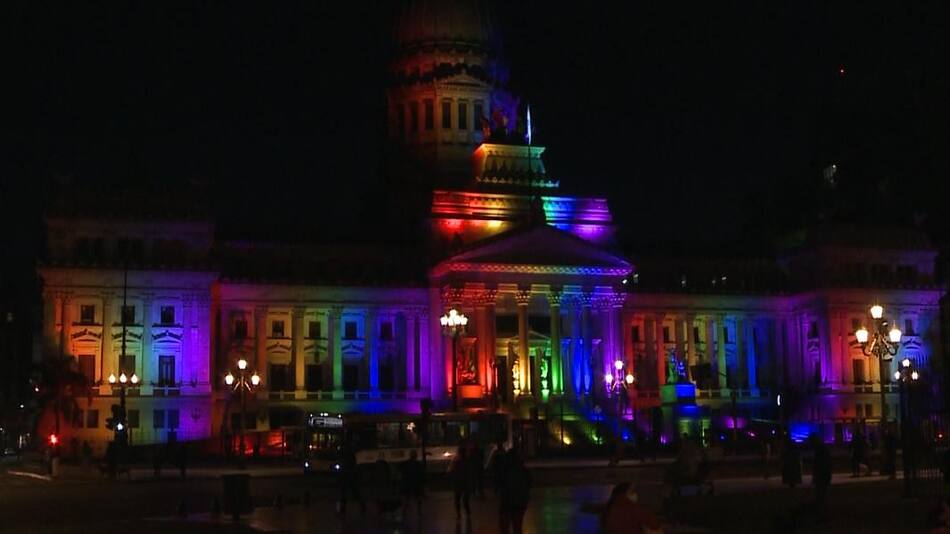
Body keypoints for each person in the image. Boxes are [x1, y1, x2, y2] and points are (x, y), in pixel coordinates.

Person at [502, 450, 532, 534]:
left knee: (510, 525)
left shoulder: (508, 472)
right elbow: (529, 484)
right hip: (520, 501)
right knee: (517, 525)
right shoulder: (524, 471)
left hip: (511, 501)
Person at [338, 442, 365, 515]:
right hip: (349, 475)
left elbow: (349, 465)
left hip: (348, 475)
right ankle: (362, 506)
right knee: (350, 492)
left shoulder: (348, 456)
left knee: (349, 492)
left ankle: (343, 509)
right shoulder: (350, 455)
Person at [811, 435, 832, 521]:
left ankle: (822, 515)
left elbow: (820, 465)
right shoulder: (822, 449)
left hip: (822, 476)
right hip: (824, 476)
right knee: (822, 496)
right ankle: (822, 514)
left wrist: (816, 476)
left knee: (821, 496)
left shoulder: (820, 451)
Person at [450, 441, 472, 521]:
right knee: (466, 500)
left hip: (458, 482)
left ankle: (459, 514)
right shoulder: (468, 459)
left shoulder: (456, 459)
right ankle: (468, 514)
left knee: (457, 499)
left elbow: (452, 469)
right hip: (465, 481)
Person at [400, 449, 425, 519]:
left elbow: (403, 474)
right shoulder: (418, 464)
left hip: (408, 484)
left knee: (407, 500)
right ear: (416, 456)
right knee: (418, 499)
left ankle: (404, 513)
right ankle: (419, 512)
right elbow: (421, 475)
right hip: (416, 484)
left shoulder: (406, 463)